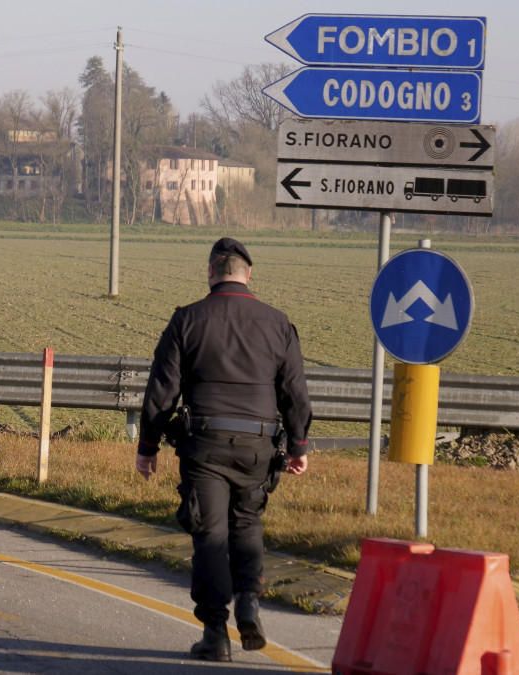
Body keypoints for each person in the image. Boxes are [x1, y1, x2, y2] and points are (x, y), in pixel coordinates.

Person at [134, 237, 312, 663]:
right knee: (247, 522)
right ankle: (249, 599)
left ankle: (216, 634)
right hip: (258, 447)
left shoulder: (187, 320)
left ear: (211, 273)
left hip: (206, 445)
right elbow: (294, 392)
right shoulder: (277, 323)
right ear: (247, 274)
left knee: (209, 535)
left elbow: (162, 391)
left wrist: (148, 446)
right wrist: (299, 445)